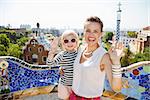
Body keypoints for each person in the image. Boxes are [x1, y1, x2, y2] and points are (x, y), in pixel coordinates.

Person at [70, 16, 124, 100]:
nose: (91, 35)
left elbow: (117, 88)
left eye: (95, 31)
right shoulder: (80, 49)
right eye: (88, 31)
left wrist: (116, 62)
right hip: (72, 96)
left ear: (101, 34)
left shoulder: (104, 56)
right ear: (84, 32)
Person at [47, 30, 79, 100]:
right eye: (66, 41)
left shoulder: (79, 54)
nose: (69, 43)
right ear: (63, 43)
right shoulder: (62, 55)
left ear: (76, 42)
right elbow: (50, 64)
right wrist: (52, 51)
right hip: (64, 85)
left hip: (76, 86)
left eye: (72, 40)